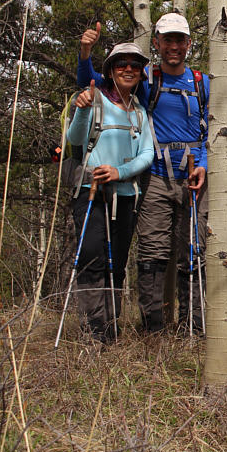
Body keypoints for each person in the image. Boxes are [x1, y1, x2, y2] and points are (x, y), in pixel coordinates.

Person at [78, 14, 209, 334]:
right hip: (155, 176)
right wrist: (85, 55)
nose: (174, 46)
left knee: (195, 252)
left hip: (195, 176)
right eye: (168, 40)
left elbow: (213, 127)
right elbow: (94, 81)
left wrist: (204, 162)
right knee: (152, 253)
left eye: (180, 40)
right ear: (157, 44)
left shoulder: (201, 82)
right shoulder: (147, 78)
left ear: (189, 44)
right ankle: (154, 330)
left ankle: (192, 327)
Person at [67, 42, 154, 342]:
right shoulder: (96, 100)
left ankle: (110, 329)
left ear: (141, 74)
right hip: (90, 192)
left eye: (135, 65)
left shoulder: (141, 113)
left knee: (116, 261)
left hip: (126, 196)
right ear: (109, 70)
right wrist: (82, 111)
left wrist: (120, 172)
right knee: (92, 258)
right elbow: (75, 139)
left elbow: (147, 154)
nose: (128, 69)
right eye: (121, 64)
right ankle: (94, 332)